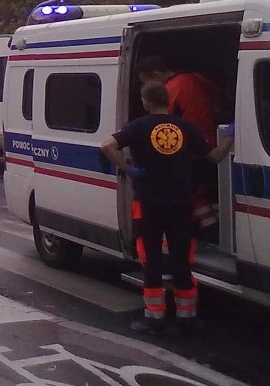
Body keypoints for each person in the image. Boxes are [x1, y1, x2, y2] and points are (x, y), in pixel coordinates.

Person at [100, 81, 234, 335]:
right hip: (181, 201)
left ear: (146, 101)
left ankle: (154, 319)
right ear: (168, 101)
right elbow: (215, 156)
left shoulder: (137, 127)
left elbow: (107, 145)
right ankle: (188, 317)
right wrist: (229, 138)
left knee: (151, 259)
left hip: (149, 201)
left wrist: (128, 169)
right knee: (181, 259)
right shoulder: (186, 127)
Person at [136, 55, 223, 233]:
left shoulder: (172, 89)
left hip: (189, 150)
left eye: (147, 82)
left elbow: (161, 122)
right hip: (213, 142)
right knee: (211, 190)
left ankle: (210, 230)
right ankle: (220, 226)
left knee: (193, 193)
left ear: (157, 74)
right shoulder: (198, 79)